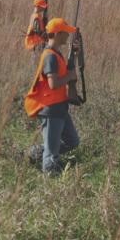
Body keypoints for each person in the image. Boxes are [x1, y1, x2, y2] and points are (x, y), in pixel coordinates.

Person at [24, 18, 80, 175]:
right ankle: (50, 177)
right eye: (65, 32)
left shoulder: (56, 53)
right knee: (51, 155)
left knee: (72, 141)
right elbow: (53, 84)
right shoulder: (50, 56)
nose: (68, 35)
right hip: (51, 109)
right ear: (56, 34)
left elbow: (66, 72)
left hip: (60, 107)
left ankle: (36, 152)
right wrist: (69, 77)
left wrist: (74, 54)